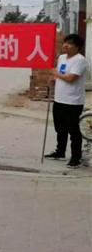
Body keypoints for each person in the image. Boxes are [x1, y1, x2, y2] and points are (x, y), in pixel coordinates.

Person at [45, 34, 87, 169]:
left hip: (73, 101)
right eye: (65, 43)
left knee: (73, 130)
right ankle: (60, 151)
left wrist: (55, 73)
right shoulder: (62, 58)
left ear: (78, 47)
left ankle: (76, 158)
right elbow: (60, 73)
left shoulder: (80, 60)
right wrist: (53, 79)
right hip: (59, 99)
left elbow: (71, 78)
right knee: (60, 128)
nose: (65, 46)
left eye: (70, 43)